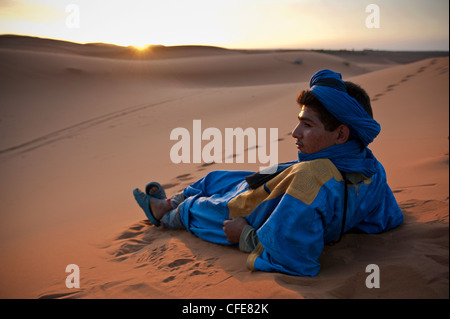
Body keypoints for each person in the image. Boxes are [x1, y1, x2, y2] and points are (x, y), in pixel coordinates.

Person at [133, 69, 404, 276]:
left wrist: (245, 236)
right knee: (218, 178)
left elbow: (295, 255)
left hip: (249, 214)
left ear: (341, 133)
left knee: (197, 207)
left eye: (307, 125)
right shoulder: (370, 166)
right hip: (284, 180)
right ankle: (169, 202)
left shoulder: (314, 180)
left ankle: (165, 213)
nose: (296, 133)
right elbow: (387, 216)